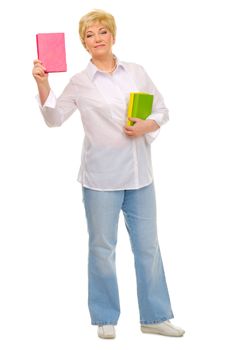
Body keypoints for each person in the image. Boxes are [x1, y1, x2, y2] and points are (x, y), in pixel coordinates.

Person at [32, 9, 185, 339]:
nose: (97, 38)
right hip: (101, 179)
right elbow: (54, 118)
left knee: (148, 247)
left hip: (140, 175)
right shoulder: (80, 83)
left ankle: (155, 316)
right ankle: (105, 316)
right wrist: (44, 84)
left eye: (103, 32)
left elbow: (162, 110)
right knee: (102, 247)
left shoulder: (137, 72)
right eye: (90, 35)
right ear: (84, 44)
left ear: (113, 36)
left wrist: (148, 124)